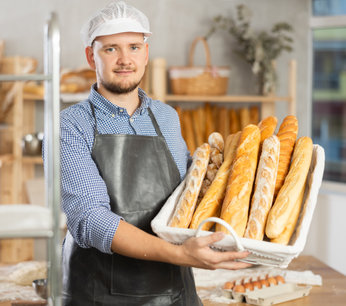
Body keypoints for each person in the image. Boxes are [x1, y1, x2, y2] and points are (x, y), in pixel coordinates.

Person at [60, 2, 251, 305]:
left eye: (134, 47)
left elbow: (191, 193)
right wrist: (179, 253)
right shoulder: (69, 126)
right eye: (110, 49)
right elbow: (90, 219)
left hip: (174, 292)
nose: (125, 59)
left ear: (146, 54)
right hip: (97, 295)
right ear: (90, 56)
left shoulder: (166, 117)